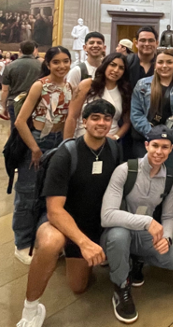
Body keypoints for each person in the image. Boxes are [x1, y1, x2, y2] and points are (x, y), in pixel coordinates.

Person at [16, 99, 121, 327]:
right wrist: (84, 243)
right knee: (51, 241)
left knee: (79, 286)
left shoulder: (114, 149)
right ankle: (31, 309)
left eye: (106, 119)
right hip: (64, 220)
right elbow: (54, 211)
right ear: (84, 121)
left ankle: (75, 258)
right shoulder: (66, 154)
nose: (101, 123)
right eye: (95, 118)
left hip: (95, 221)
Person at [101, 125, 173, 324]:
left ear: (171, 149)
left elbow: (169, 216)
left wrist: (167, 238)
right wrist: (146, 221)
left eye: (165, 147)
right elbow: (107, 215)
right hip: (118, 232)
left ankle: (136, 260)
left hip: (143, 235)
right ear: (147, 145)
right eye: (155, 145)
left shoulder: (170, 179)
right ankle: (121, 286)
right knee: (119, 236)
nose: (159, 152)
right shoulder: (125, 170)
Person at [13, 46, 73, 265]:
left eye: (65, 61)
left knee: (49, 194)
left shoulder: (69, 86)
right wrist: (34, 148)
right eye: (56, 62)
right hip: (37, 140)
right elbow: (20, 121)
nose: (61, 66)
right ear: (48, 64)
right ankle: (22, 243)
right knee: (28, 193)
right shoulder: (40, 85)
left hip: (58, 142)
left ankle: (42, 239)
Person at [130, 47, 173, 180]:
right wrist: (152, 135)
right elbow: (136, 114)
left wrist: (172, 138)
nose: (164, 66)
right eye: (160, 62)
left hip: (172, 144)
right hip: (145, 142)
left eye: (169, 62)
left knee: (171, 179)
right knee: (142, 180)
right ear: (155, 65)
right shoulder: (142, 85)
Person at [64, 53, 131, 141]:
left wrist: (116, 137)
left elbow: (127, 122)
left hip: (109, 142)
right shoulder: (87, 85)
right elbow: (72, 116)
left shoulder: (124, 91)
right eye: (113, 65)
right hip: (82, 138)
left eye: (121, 68)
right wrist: (67, 143)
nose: (116, 70)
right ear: (105, 65)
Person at [1, 40, 42, 129]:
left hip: (15, 102)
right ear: (34, 50)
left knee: (16, 131)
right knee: (32, 131)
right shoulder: (41, 66)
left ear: (20, 50)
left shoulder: (10, 66)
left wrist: (3, 106)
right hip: (36, 103)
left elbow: (5, 90)